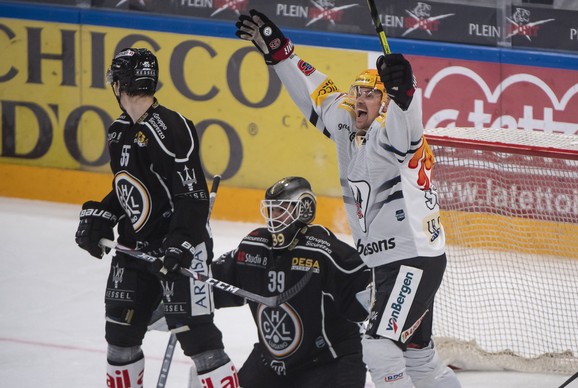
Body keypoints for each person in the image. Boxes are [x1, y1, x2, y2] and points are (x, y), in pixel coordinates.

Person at [234, 10, 462, 388]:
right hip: (389, 263)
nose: (360, 100)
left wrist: (406, 91)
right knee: (418, 358)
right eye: (357, 91)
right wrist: (279, 52)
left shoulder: (393, 134)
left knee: (377, 347)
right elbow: (314, 89)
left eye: (371, 94)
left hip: (412, 258)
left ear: (384, 105)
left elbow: (408, 121)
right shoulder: (346, 120)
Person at [74, 47, 238, 387]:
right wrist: (103, 214)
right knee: (119, 337)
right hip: (134, 252)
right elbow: (130, 189)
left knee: (200, 343)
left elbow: (192, 197)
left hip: (180, 252)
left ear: (118, 84)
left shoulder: (173, 127)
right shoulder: (118, 131)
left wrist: (178, 246)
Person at [210, 176, 371, 387]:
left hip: (329, 361)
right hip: (272, 363)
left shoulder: (323, 251)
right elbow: (212, 285)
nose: (274, 215)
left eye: (282, 209)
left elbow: (368, 292)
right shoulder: (253, 246)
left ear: (304, 209)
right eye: (272, 209)